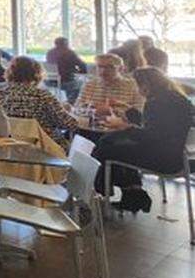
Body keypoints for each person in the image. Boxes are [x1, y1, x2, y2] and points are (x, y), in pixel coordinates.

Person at [92, 67, 195, 213]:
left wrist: (123, 126)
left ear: (145, 86)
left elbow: (150, 136)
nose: (136, 88)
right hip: (177, 156)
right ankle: (133, 193)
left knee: (105, 149)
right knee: (111, 143)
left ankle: (106, 193)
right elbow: (157, 127)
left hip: (163, 160)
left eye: (137, 85)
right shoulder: (176, 99)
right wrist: (127, 108)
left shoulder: (156, 103)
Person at [0, 56, 78, 149]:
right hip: (43, 149)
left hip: (3, 146)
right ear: (36, 74)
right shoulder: (41, 95)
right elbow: (69, 124)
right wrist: (68, 110)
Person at [76, 53, 143, 120]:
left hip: (121, 125)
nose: (103, 71)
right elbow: (77, 108)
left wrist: (112, 111)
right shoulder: (89, 85)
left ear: (120, 69)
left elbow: (140, 113)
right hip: (92, 123)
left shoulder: (133, 86)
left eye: (110, 67)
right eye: (100, 67)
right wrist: (94, 111)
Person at [45, 36, 88, 102]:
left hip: (50, 81)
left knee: (71, 81)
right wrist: (80, 72)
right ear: (66, 44)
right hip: (66, 82)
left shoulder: (50, 53)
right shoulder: (69, 53)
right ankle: (71, 102)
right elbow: (82, 65)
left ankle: (65, 101)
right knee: (81, 83)